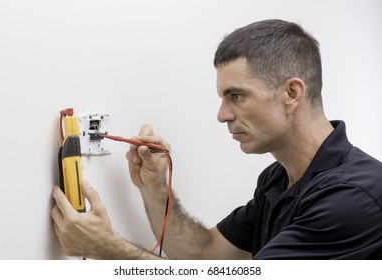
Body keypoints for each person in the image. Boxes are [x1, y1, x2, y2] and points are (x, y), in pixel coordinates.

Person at [51, 19, 382, 259]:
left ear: (291, 93)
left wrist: (107, 249)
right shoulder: (279, 178)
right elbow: (208, 254)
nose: (222, 115)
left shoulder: (351, 198)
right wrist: (155, 189)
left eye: (236, 96)